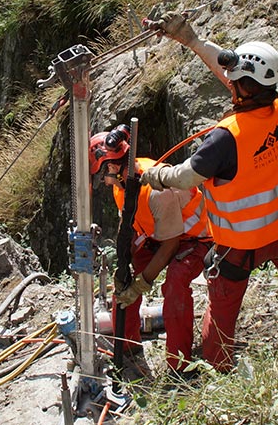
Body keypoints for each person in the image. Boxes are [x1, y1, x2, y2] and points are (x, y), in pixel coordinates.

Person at [140, 12, 278, 372]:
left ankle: (219, 366)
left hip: (239, 246)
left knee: (222, 308)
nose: (229, 80)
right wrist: (192, 40)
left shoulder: (226, 138)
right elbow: (232, 71)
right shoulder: (275, 110)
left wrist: (157, 175)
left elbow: (186, 177)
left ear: (245, 86)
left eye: (235, 79)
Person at [89, 127, 211, 376]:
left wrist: (141, 283)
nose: (102, 180)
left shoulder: (156, 190)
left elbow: (171, 244)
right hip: (158, 235)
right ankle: (126, 346)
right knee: (123, 283)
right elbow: (129, 223)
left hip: (193, 239)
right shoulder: (121, 184)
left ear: (112, 166)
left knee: (175, 285)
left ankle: (180, 366)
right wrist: (124, 267)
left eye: (101, 174)